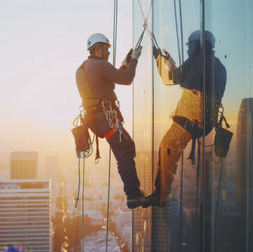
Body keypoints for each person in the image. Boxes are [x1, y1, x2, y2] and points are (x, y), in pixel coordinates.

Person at [149, 30, 227, 207]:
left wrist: (158, 59)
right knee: (169, 149)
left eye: (190, 46)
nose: (189, 50)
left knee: (167, 149)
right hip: (205, 122)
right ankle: (161, 194)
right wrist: (172, 63)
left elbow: (171, 79)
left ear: (197, 45)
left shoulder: (198, 59)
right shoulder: (218, 65)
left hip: (189, 119)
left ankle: (161, 196)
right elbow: (188, 77)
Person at [75, 33, 149, 209]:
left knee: (124, 148)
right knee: (125, 149)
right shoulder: (100, 65)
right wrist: (135, 60)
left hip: (97, 120)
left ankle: (133, 193)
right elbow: (125, 79)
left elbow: (110, 79)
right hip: (106, 119)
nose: (108, 53)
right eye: (105, 50)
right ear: (97, 49)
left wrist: (125, 63)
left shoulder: (84, 67)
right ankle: (133, 195)